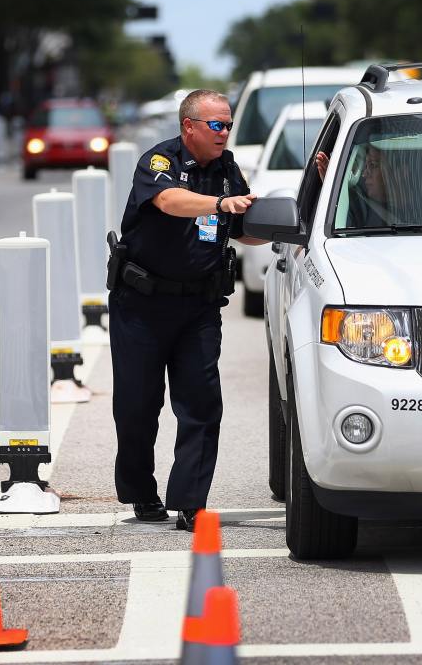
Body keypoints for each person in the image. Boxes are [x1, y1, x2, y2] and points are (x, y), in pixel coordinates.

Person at [108, 89, 261, 532]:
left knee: (201, 404)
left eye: (229, 125)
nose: (225, 133)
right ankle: (140, 492)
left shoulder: (227, 169)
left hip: (198, 306)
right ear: (189, 126)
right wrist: (217, 204)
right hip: (142, 305)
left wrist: (289, 222)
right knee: (137, 407)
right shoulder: (159, 162)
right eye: (217, 125)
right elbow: (169, 201)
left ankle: (191, 502)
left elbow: (243, 227)